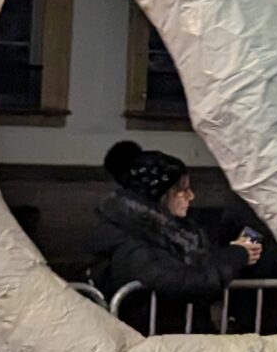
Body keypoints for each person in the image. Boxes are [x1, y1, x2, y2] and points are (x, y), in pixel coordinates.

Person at [88, 142, 262, 335]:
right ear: (161, 195)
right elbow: (183, 281)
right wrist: (236, 256)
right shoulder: (129, 240)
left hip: (177, 334)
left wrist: (236, 253)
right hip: (154, 338)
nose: (190, 196)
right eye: (182, 190)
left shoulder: (174, 231)